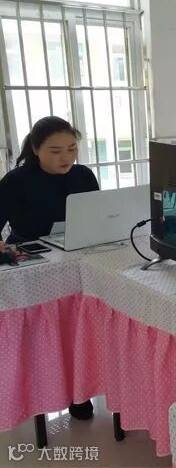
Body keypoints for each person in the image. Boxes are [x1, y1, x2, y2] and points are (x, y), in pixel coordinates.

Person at [0, 116, 99, 420]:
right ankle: (34, 395)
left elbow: (99, 216)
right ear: (36, 148)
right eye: (56, 151)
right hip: (34, 269)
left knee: (76, 331)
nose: (66, 157)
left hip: (76, 265)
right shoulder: (16, 181)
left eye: (72, 148)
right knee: (43, 337)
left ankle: (79, 393)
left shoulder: (83, 175)